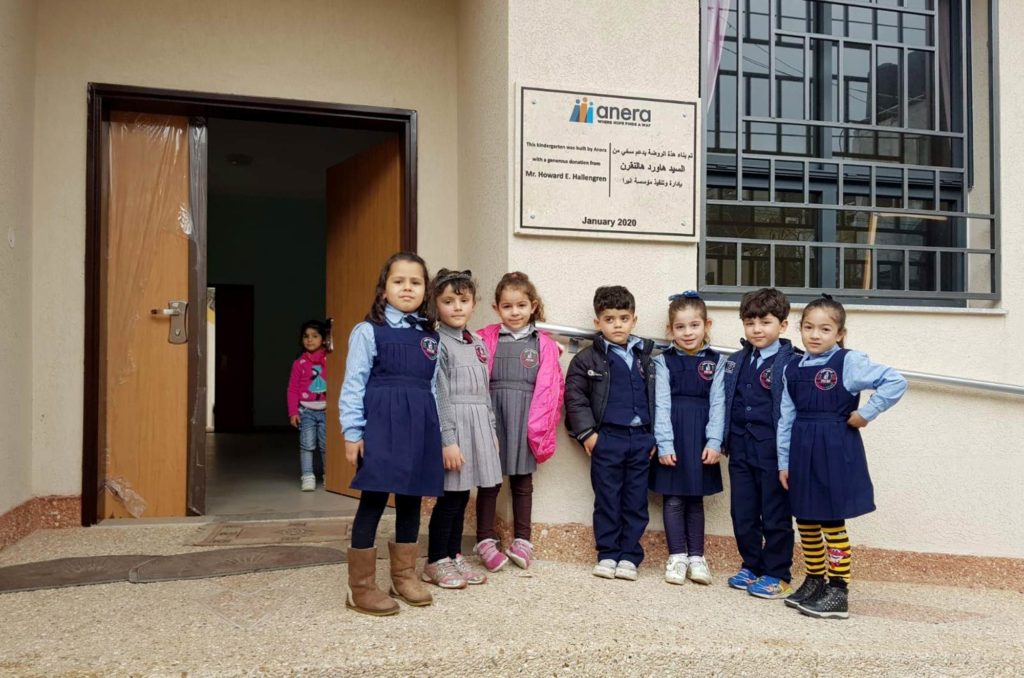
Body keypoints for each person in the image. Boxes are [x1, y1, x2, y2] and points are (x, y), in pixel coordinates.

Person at [778, 295, 907, 619]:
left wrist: (866, 413)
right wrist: (784, 461)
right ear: (800, 329)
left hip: (834, 448)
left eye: (825, 329)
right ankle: (814, 579)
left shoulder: (848, 362)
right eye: (808, 327)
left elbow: (895, 381)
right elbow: (786, 417)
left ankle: (838, 589)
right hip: (801, 448)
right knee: (806, 518)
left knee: (831, 519)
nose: (815, 335)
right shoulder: (792, 367)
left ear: (840, 334)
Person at [339, 251, 443, 616]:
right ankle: (361, 588)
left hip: (419, 428)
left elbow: (431, 389)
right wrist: (353, 433)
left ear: (425, 290)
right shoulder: (368, 331)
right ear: (384, 289)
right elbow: (354, 383)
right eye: (398, 281)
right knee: (374, 499)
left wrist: (439, 435)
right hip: (382, 428)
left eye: (415, 282)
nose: (407, 287)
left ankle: (403, 575)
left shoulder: (431, 336)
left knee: (412, 499)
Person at [711, 288, 800, 599]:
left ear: (783, 326)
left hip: (774, 453)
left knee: (775, 514)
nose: (757, 329)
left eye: (765, 322)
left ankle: (778, 573)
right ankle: (751, 564)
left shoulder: (793, 363)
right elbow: (724, 402)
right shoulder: (736, 361)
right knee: (743, 512)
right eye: (750, 323)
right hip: (740, 449)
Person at [564, 286, 657, 581]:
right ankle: (607, 553)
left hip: (640, 439)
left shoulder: (646, 358)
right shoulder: (587, 359)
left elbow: (658, 399)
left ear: (634, 320)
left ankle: (629, 555)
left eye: (623, 318)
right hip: (607, 440)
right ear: (597, 323)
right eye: (609, 319)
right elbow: (575, 398)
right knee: (607, 498)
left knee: (635, 499)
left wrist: (653, 436)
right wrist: (588, 434)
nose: (617, 324)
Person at [475, 272, 564, 572]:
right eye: (507, 306)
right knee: (490, 480)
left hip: (527, 417)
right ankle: (485, 539)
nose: (515, 312)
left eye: (521, 305)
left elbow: (552, 387)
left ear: (533, 306)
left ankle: (523, 540)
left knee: (522, 481)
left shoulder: (543, 344)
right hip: (493, 413)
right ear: (496, 308)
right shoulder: (484, 339)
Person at [422, 269, 503, 589]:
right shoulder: (437, 343)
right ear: (436, 305)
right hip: (455, 423)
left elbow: (485, 390)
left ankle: (454, 554)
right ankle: (435, 559)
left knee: (464, 494)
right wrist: (448, 440)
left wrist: (492, 429)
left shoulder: (478, 342)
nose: (457, 307)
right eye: (448, 301)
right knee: (450, 495)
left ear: (473, 304)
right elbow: (439, 393)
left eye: (463, 300)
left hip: (478, 423)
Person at [650, 292, 725, 586]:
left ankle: (697, 557)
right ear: (670, 330)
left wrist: (715, 441)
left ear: (706, 325)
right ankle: (677, 556)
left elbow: (719, 404)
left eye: (694, 325)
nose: (688, 332)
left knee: (695, 498)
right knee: (674, 498)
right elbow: (661, 405)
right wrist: (665, 443)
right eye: (680, 327)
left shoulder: (717, 362)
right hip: (675, 434)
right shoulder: (663, 362)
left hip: (702, 437)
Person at [287, 320, 330, 491]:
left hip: (327, 410)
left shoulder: (330, 360)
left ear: (324, 339)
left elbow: (339, 381)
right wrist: (293, 412)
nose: (310, 340)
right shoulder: (299, 363)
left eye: (314, 336)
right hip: (306, 411)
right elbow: (292, 389)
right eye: (306, 336)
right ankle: (307, 475)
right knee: (307, 445)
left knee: (326, 445)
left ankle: (330, 475)